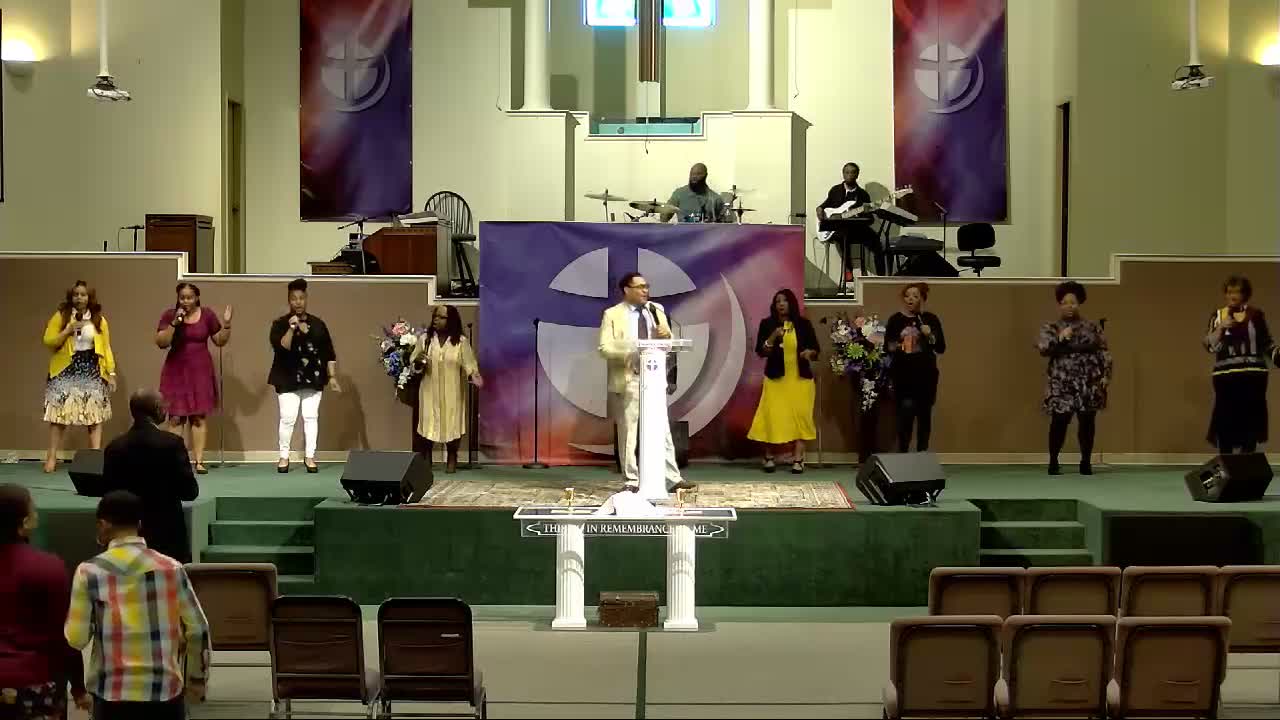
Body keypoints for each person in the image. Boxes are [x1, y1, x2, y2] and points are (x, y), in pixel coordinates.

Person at [65, 491, 209, 720]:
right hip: (164, 692)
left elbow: (76, 638)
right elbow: (199, 629)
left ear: (103, 525)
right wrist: (196, 679)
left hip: (111, 693)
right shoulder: (172, 568)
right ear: (139, 524)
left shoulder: (88, 572)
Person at [598, 272, 696, 491]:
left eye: (647, 286)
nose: (645, 291)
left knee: (662, 429)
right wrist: (631, 349)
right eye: (640, 287)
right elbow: (604, 348)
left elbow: (669, 344)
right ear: (626, 290)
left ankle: (672, 478)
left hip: (654, 377)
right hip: (629, 377)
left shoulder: (656, 309)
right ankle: (631, 480)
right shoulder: (612, 314)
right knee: (629, 431)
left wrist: (666, 336)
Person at [0, 485, 89, 720]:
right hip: (35, 684)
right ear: (24, 523)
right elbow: (64, 634)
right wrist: (78, 686)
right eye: (33, 510)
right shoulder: (47, 567)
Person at [102, 389, 200, 563]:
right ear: (157, 409)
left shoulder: (114, 447)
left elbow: (109, 493)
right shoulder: (172, 444)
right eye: (163, 405)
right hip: (168, 538)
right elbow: (189, 492)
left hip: (128, 538)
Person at [155, 282, 232, 474]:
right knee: (175, 418)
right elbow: (161, 342)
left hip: (200, 372)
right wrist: (175, 323)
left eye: (189, 297)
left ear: (197, 298)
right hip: (176, 371)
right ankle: (175, 462)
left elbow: (219, 340)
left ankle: (199, 461)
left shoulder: (207, 315)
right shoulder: (170, 315)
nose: (186, 301)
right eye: (182, 297)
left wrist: (227, 324)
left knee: (198, 417)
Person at [40, 280, 117, 473]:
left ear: (89, 297)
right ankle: (51, 457)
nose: (79, 298)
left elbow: (106, 347)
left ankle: (94, 459)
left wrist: (111, 372)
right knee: (58, 415)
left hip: (91, 367)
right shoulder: (61, 316)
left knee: (94, 415)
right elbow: (48, 340)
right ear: (71, 297)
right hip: (66, 367)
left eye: (83, 294)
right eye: (76, 294)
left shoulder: (99, 320)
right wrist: (67, 330)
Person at [1037, 281, 1112, 475]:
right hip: (1062, 384)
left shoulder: (1092, 327)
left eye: (1073, 302)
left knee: (1087, 422)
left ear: (1079, 304)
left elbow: (1104, 352)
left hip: (1088, 383)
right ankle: (1053, 461)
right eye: (1065, 302)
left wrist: (1106, 375)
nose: (1069, 306)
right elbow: (1043, 348)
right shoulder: (1051, 327)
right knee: (1059, 422)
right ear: (1059, 305)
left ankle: (1085, 462)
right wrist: (1060, 338)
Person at [269, 278, 340, 473]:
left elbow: (328, 352)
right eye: (294, 298)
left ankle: (310, 456)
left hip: (313, 377)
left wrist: (332, 377)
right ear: (289, 301)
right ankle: (284, 456)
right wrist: (292, 328)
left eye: (301, 298)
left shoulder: (318, 324)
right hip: (287, 377)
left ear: (306, 299)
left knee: (311, 417)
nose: (298, 302)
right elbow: (282, 347)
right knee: (287, 418)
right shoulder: (280, 324)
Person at [747, 289, 820, 473]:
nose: (781, 304)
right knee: (772, 416)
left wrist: (809, 353)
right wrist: (773, 336)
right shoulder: (767, 324)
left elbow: (816, 350)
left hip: (800, 380)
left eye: (784, 301)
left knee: (801, 418)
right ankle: (768, 457)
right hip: (776, 380)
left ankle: (798, 459)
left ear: (791, 303)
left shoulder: (803, 324)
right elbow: (761, 351)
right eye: (777, 301)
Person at [1204, 275, 1277, 455]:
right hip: (1226, 377)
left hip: (1253, 375)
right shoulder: (1218, 315)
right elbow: (1210, 346)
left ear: (1245, 294)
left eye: (1237, 292)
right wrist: (1221, 328)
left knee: (1251, 419)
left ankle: (1247, 460)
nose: (1233, 296)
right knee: (1225, 418)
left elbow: (1266, 343)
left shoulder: (1256, 315)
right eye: (1229, 292)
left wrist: (1277, 355)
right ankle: (1227, 461)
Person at [411, 305, 483, 474]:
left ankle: (452, 457)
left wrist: (474, 375)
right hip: (429, 391)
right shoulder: (425, 340)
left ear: (451, 321)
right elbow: (414, 362)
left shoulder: (460, 342)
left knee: (452, 424)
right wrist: (418, 362)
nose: (436, 320)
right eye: (435, 316)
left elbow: (469, 363)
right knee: (428, 423)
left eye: (441, 317)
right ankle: (427, 459)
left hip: (453, 392)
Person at [886, 282, 946, 453]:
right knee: (904, 419)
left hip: (926, 378)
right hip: (903, 378)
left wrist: (929, 334)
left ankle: (922, 456)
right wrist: (900, 339)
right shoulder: (895, 320)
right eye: (907, 296)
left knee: (924, 420)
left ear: (922, 299)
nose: (910, 299)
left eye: (915, 296)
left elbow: (940, 347)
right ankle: (903, 456)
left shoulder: (930, 319)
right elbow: (887, 348)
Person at [817, 162, 885, 277]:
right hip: (838, 229)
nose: (850, 175)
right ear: (843, 174)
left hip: (857, 230)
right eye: (847, 172)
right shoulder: (835, 190)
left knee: (876, 242)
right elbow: (824, 206)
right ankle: (849, 275)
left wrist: (864, 213)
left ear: (857, 175)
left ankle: (882, 277)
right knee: (843, 237)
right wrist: (819, 209)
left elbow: (870, 220)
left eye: (853, 172)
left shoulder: (862, 194)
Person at [660, 163, 727, 223]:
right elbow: (664, 218)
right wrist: (662, 211)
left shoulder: (715, 199)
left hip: (706, 232)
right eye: (692, 174)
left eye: (698, 174)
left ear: (706, 175)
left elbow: (723, 225)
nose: (694, 176)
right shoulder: (679, 194)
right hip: (683, 232)